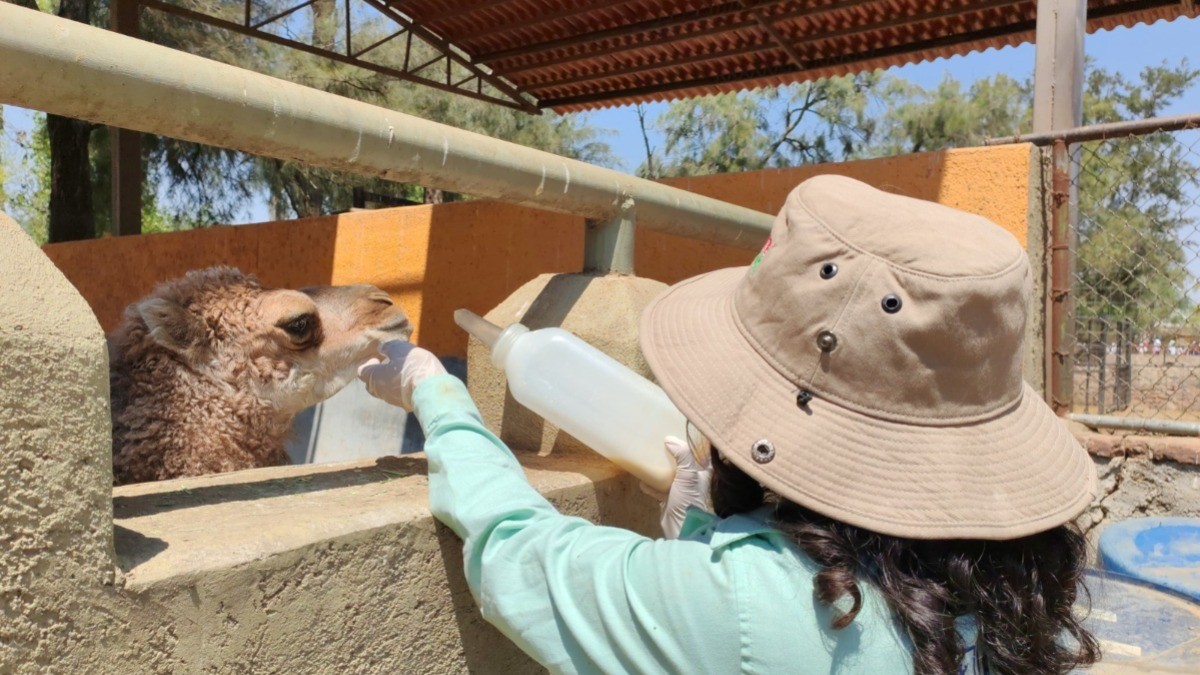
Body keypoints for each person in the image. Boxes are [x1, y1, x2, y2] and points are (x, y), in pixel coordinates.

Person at [359, 175, 1100, 674]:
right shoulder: (1025, 587)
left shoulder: (756, 604)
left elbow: (520, 557)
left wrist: (438, 395)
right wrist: (709, 534)